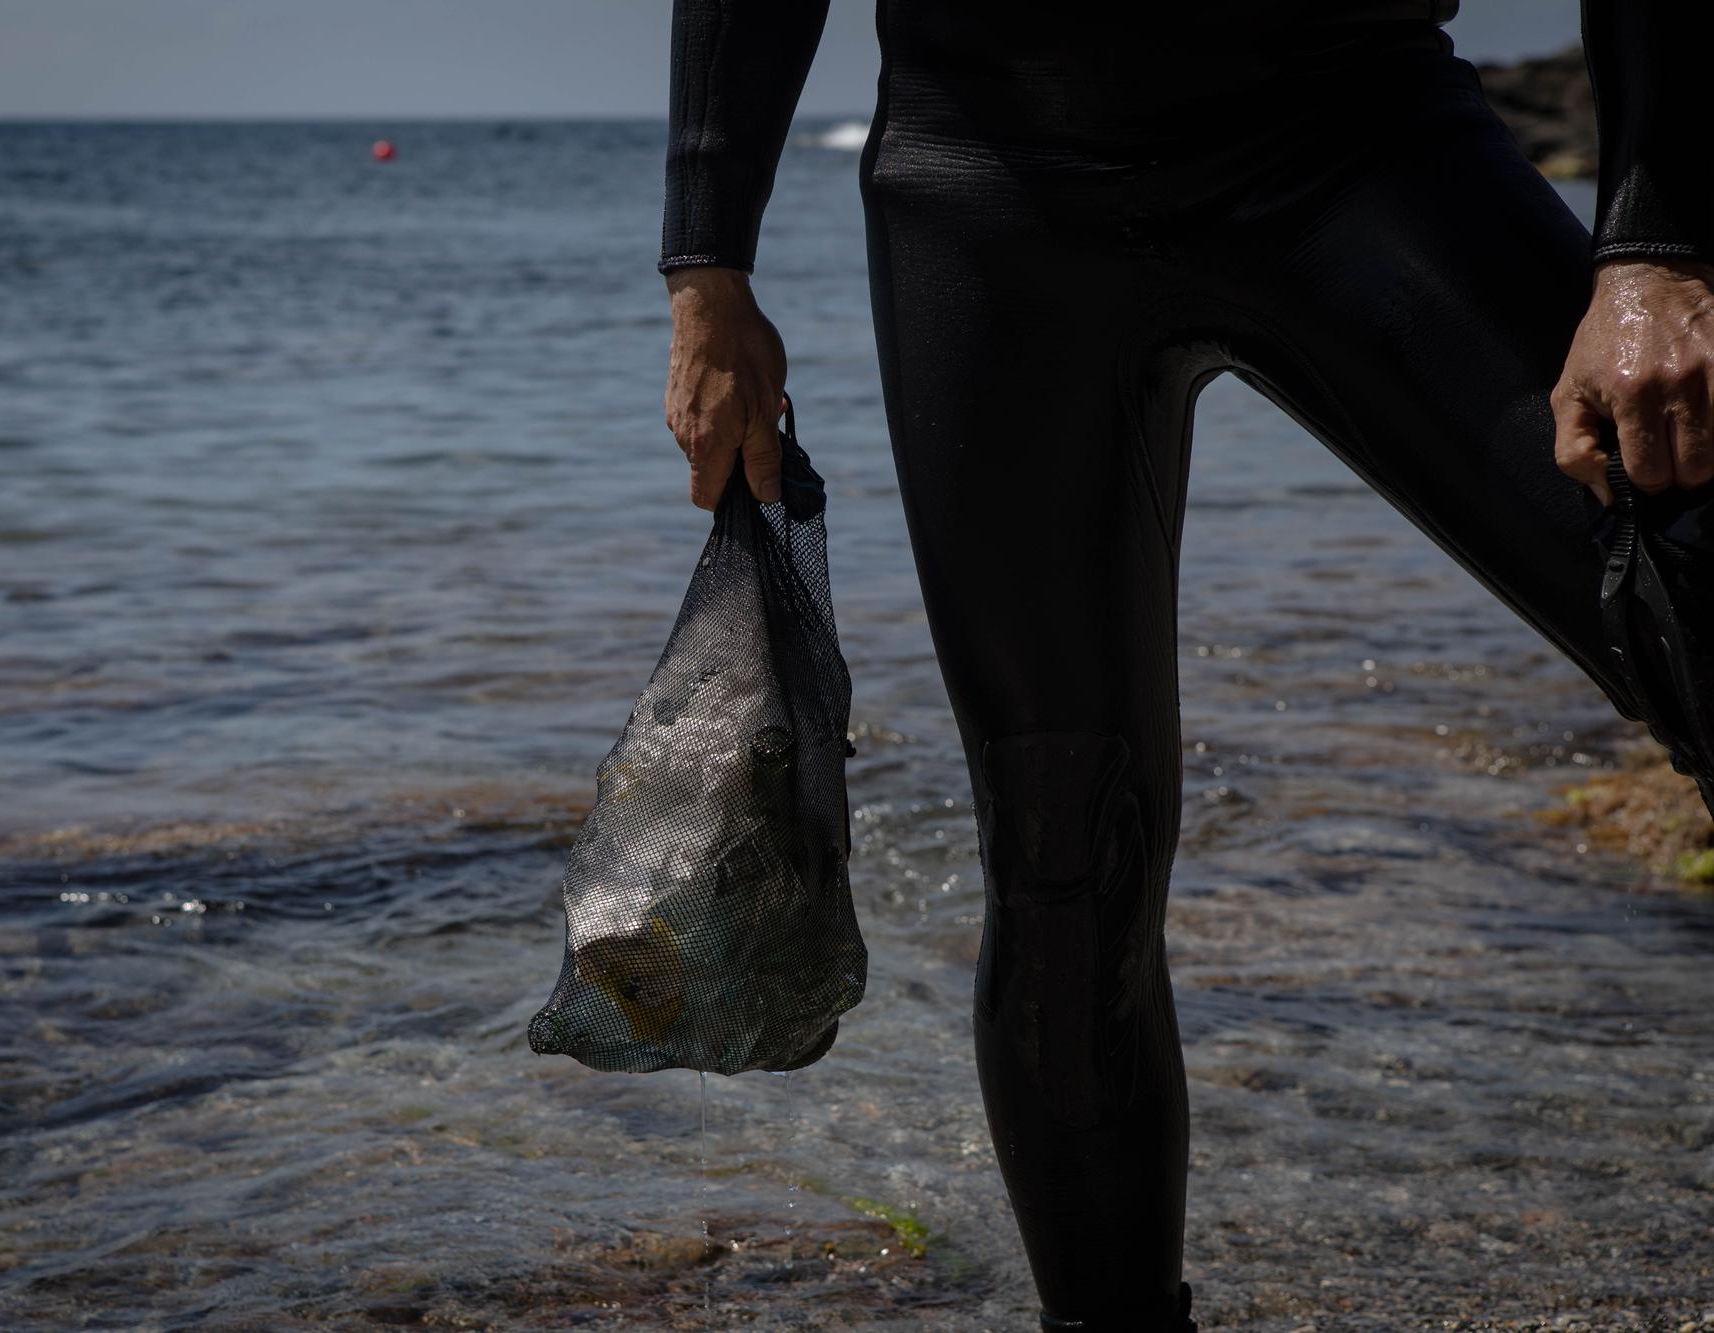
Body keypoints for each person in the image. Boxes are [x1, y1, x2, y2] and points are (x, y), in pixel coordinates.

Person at [657, 2, 1713, 1329]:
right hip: (991, 184)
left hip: (1354, 129)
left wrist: (1657, 241)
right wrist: (708, 260)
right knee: (1064, 853)